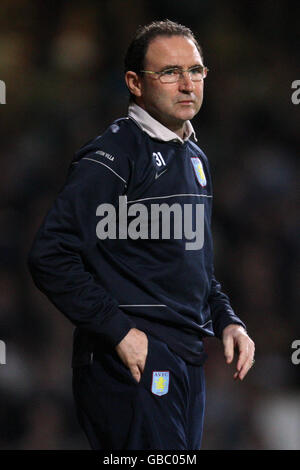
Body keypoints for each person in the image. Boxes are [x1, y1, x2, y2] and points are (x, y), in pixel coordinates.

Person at [28, 19, 255, 450]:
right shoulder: (113, 156)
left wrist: (227, 321)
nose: (187, 84)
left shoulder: (195, 157)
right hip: (131, 363)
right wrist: (118, 331)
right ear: (134, 82)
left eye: (196, 70)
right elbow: (49, 254)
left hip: (186, 359)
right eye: (170, 72)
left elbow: (198, 270)